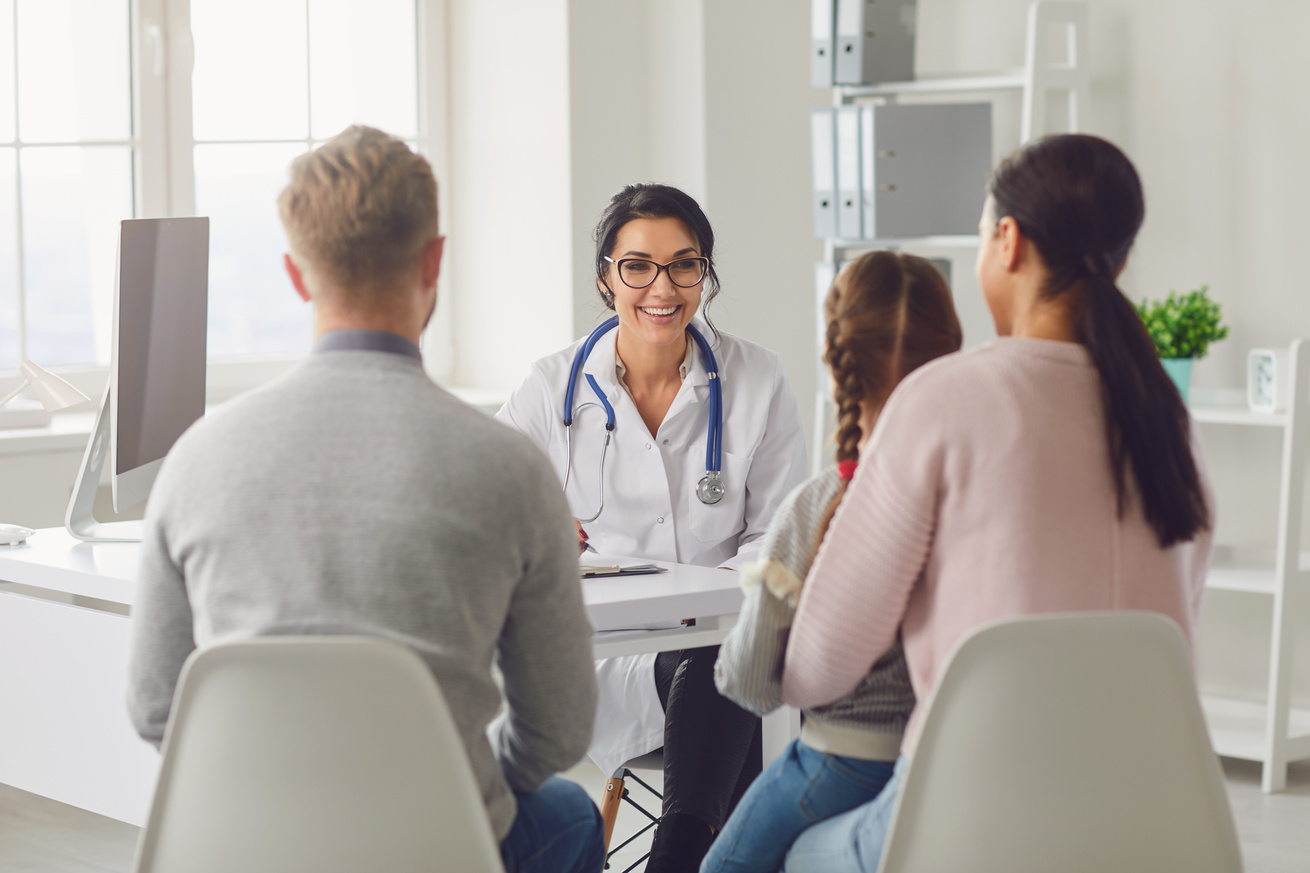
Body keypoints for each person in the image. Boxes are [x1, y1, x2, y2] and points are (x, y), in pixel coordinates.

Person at [126, 126, 604, 873]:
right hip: (437, 849)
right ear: (434, 259)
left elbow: (156, 708)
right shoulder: (509, 468)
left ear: (295, 273)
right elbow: (560, 730)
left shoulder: (197, 459)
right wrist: (458, 792)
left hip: (249, 850)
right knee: (570, 812)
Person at [775, 133, 1216, 872]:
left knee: (790, 851)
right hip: (1157, 819)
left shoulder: (941, 400)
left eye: (982, 235)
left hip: (969, 823)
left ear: (1007, 242)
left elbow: (816, 665)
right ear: (1121, 260)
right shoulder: (1169, 418)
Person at [496, 182, 808, 872]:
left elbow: (782, 538)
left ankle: (676, 855)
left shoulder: (757, 380)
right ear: (606, 276)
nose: (661, 287)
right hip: (605, 660)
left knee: (725, 659)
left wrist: (710, 600)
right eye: (637, 265)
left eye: (683, 264)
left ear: (705, 273)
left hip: (727, 648)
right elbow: (487, 513)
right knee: (734, 679)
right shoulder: (551, 391)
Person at [701, 251, 962, 873]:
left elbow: (747, 683)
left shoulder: (820, 508)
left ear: (833, 360)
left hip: (837, 764)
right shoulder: (974, 500)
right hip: (945, 765)